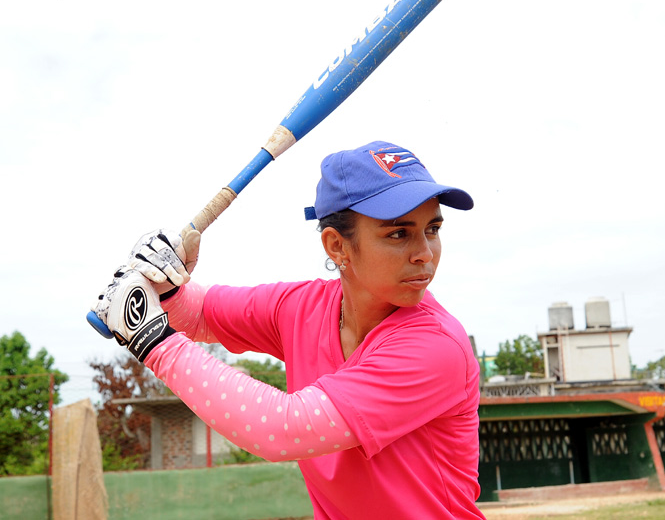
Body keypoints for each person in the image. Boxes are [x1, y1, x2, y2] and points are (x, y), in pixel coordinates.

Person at [92, 141, 485, 519]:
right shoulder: (302, 308)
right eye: (399, 233)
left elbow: (285, 429)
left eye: (432, 229)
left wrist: (152, 340)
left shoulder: (435, 346)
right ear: (337, 247)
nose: (424, 253)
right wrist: (164, 283)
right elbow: (199, 314)